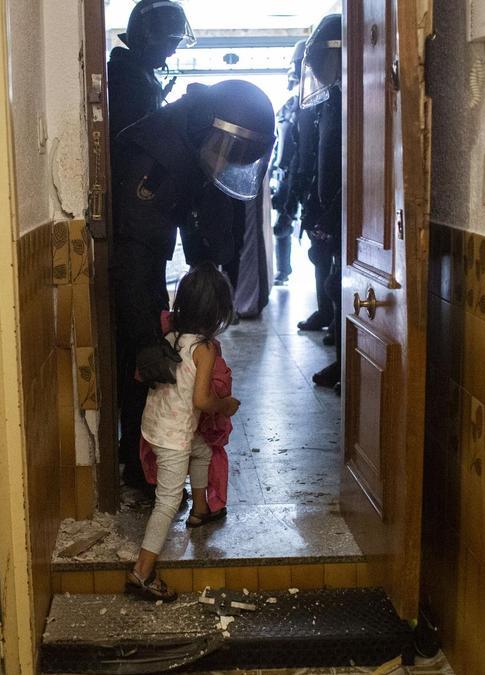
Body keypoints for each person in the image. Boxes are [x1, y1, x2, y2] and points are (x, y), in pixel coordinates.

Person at [110, 80, 276, 491]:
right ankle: (140, 468)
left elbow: (209, 218)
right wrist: (147, 338)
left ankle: (153, 461)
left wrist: (210, 271)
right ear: (212, 129)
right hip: (134, 256)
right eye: (231, 151)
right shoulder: (155, 154)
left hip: (149, 247)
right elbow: (133, 259)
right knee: (145, 364)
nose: (229, 161)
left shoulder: (196, 136)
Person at [127, 264, 241, 601]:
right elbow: (202, 400)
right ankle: (142, 572)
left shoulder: (171, 336)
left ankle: (201, 510)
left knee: (202, 450)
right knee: (166, 503)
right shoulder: (203, 349)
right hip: (173, 437)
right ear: (218, 311)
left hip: (156, 425)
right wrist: (226, 404)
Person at [299, 14, 344, 389]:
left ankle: (349, 365)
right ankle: (343, 362)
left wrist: (332, 215)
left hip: (347, 214)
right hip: (327, 208)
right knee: (334, 284)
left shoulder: (359, 101)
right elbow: (319, 160)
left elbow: (361, 168)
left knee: (341, 287)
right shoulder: (331, 100)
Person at [107, 0, 193, 145]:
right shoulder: (124, 76)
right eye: (170, 42)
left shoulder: (139, 72)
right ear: (145, 37)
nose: (173, 51)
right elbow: (135, 138)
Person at [270, 40, 308, 286]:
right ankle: (284, 271)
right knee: (282, 226)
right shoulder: (289, 106)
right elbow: (279, 144)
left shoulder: (313, 105)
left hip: (304, 174)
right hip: (286, 174)